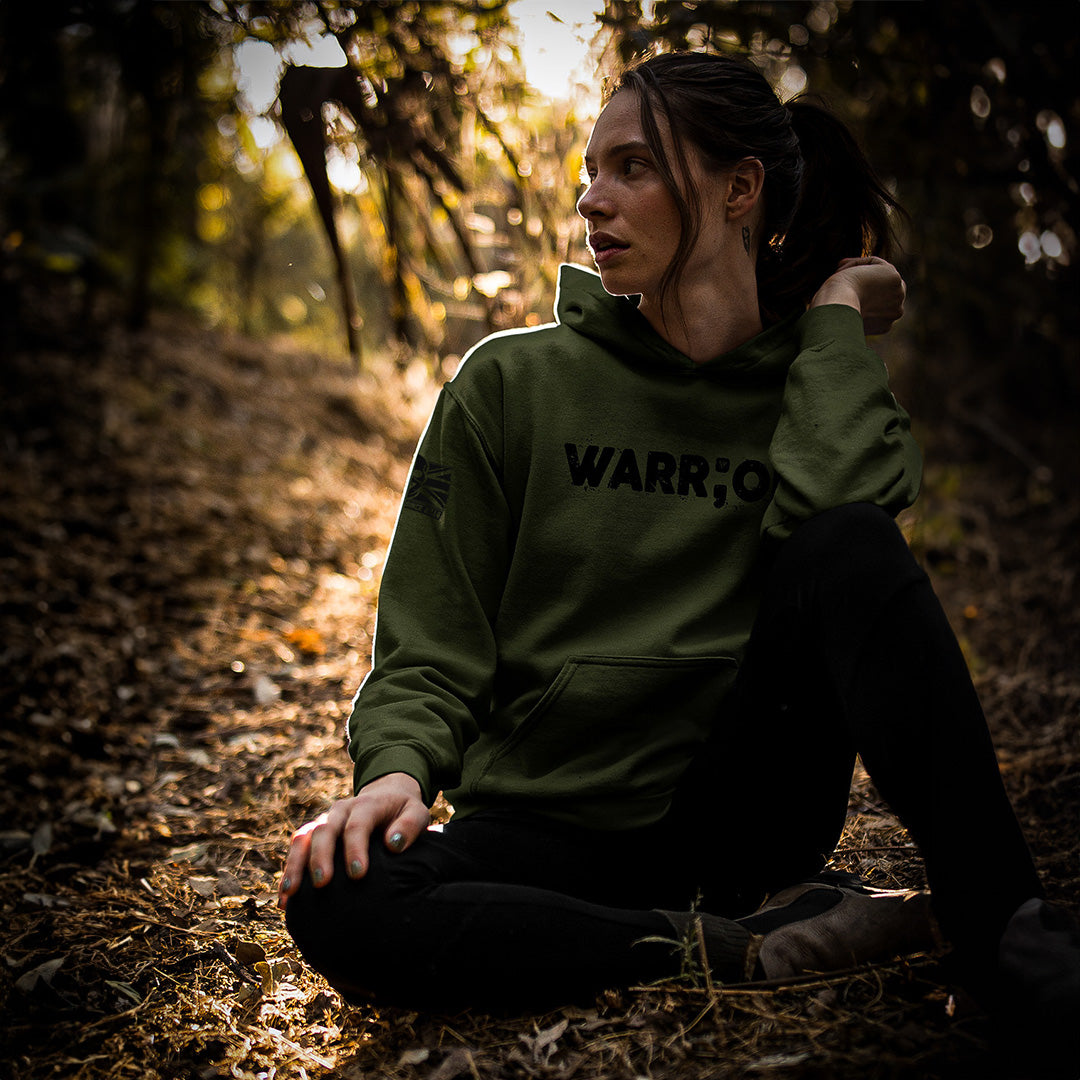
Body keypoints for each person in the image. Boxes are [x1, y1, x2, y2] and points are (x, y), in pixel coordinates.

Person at [279, 51, 1077, 1063]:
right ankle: (730, 948)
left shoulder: (811, 384)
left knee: (847, 538)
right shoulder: (511, 385)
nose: (592, 199)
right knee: (337, 897)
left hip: (740, 820)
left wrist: (833, 320)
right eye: (590, 171)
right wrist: (395, 774)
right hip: (543, 827)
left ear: (740, 188)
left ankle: (1008, 931)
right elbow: (432, 642)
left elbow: (848, 540)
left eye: (633, 167)